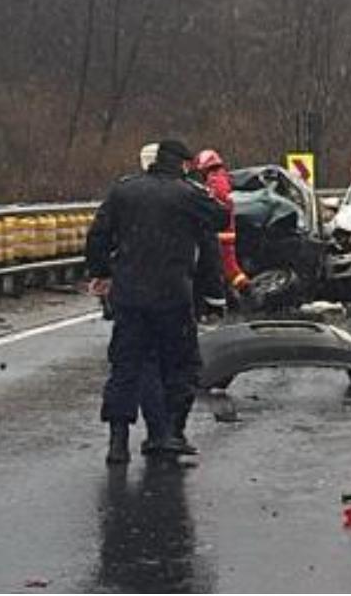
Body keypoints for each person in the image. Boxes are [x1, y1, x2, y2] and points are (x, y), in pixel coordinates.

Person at [86, 139, 228, 465]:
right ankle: (168, 433)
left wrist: (102, 272)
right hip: (172, 296)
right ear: (182, 164)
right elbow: (220, 218)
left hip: (129, 295)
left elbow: (97, 235)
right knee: (181, 365)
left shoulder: (124, 191)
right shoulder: (186, 194)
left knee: (126, 366)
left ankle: (118, 442)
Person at [193, 149, 251, 296]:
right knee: (227, 267)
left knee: (228, 268)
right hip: (224, 230)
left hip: (220, 232)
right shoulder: (221, 178)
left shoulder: (215, 182)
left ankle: (247, 291)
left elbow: (213, 206)